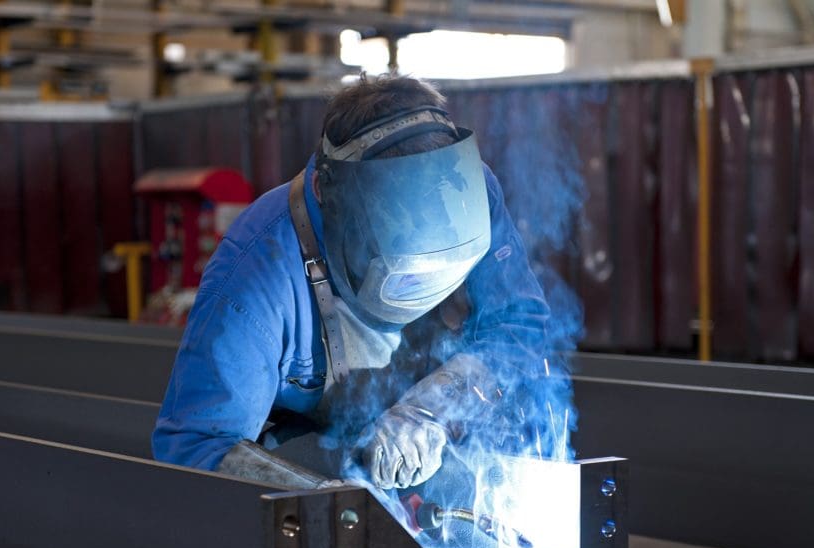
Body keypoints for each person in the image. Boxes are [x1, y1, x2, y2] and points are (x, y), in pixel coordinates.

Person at [152, 75, 553, 491]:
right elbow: (197, 449)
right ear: (328, 194)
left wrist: (431, 410)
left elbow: (518, 327)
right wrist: (325, 504)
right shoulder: (255, 273)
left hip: (440, 444)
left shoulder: (466, 192)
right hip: (317, 462)